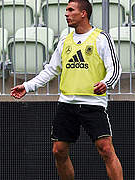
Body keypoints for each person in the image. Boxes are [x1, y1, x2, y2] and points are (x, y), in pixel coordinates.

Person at [11, 0, 123, 179]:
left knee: (106, 149)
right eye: (66, 10)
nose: (66, 14)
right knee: (58, 151)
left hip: (93, 104)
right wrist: (27, 86)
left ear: (83, 14)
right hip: (67, 104)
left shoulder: (101, 38)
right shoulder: (65, 41)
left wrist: (106, 83)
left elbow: (115, 69)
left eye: (71, 10)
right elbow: (50, 70)